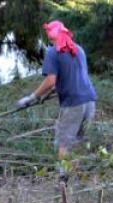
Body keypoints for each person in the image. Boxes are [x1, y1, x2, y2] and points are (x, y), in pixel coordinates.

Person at [16, 20, 97, 183]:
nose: (50, 40)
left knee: (64, 142)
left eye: (50, 37)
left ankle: (63, 181)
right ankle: (78, 178)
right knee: (80, 140)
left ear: (53, 37)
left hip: (73, 103)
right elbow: (74, 77)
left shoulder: (53, 52)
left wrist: (32, 97)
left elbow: (51, 80)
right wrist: (50, 93)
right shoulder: (79, 49)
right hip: (89, 100)